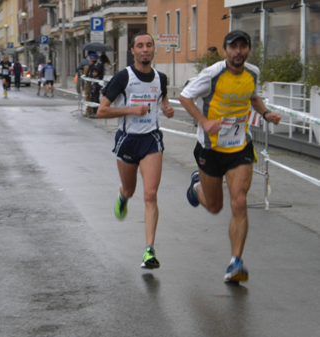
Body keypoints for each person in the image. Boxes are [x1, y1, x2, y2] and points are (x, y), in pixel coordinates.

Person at [179, 30, 281, 283]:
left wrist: (266, 113)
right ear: (225, 50)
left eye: (243, 47)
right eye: (233, 47)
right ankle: (196, 187)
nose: (238, 52)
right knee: (215, 207)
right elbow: (185, 96)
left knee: (239, 201)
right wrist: (204, 121)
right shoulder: (212, 74)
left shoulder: (252, 73)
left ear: (248, 50)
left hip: (239, 147)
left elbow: (253, 96)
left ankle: (236, 262)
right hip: (210, 149)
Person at [98, 32, 175, 269]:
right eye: (140, 46)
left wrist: (167, 108)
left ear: (153, 50)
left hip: (151, 140)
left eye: (149, 45)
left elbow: (162, 101)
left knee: (150, 195)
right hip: (128, 140)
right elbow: (101, 111)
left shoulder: (161, 78)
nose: (145, 49)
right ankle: (122, 196)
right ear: (132, 51)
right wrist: (131, 110)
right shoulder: (123, 78)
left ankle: (149, 251)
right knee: (131, 190)